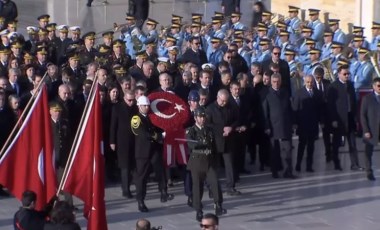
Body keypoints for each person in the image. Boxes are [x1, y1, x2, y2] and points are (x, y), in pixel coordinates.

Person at [131, 96, 174, 212]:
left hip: (154, 150)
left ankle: (164, 192)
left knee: (160, 171)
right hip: (143, 152)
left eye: (147, 105)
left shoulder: (152, 117)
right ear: (139, 106)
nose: (146, 107)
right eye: (144, 105)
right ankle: (141, 200)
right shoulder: (136, 119)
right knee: (142, 178)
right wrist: (159, 136)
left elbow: (158, 127)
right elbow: (142, 134)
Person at [186, 107, 226, 222]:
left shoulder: (209, 130)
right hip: (197, 163)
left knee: (215, 183)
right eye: (200, 117)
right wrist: (200, 144)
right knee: (197, 187)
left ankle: (218, 205)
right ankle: (198, 210)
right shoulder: (191, 130)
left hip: (209, 161)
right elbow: (191, 145)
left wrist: (216, 160)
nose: (202, 119)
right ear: (195, 118)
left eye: (204, 117)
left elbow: (213, 146)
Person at [327, 64, 363, 171]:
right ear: (339, 74)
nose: (347, 76)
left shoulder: (351, 85)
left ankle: (355, 164)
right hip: (339, 119)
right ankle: (337, 164)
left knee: (353, 143)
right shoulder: (333, 87)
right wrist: (333, 119)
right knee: (337, 144)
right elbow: (330, 105)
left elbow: (354, 103)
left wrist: (356, 118)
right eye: (344, 74)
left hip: (350, 117)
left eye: (348, 74)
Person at [206, 89, 241, 195]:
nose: (224, 103)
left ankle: (230, 187)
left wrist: (231, 128)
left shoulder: (231, 107)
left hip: (228, 140)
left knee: (229, 165)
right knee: (214, 166)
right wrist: (222, 129)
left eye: (226, 101)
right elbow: (207, 125)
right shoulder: (210, 109)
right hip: (215, 141)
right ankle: (213, 188)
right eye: (222, 101)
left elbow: (237, 119)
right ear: (217, 98)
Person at [262, 73, 296, 179]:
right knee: (274, 151)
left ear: (281, 82)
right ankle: (275, 171)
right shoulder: (267, 94)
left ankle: (288, 171)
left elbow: (290, 109)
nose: (276, 84)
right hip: (273, 126)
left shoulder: (285, 92)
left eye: (278, 82)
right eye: (274, 82)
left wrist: (293, 123)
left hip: (286, 125)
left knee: (288, 150)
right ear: (271, 82)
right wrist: (267, 126)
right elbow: (265, 112)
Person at [109, 90, 138, 198]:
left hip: (134, 140)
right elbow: (113, 125)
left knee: (132, 165)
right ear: (125, 98)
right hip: (122, 141)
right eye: (129, 100)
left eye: (132, 100)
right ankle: (126, 190)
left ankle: (132, 185)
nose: (131, 102)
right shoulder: (117, 108)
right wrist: (112, 141)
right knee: (124, 166)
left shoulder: (136, 108)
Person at [292, 75, 323, 172]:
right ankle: (298, 164)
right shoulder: (299, 93)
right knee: (301, 145)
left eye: (311, 82)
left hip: (313, 124)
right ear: (304, 82)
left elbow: (321, 109)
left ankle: (309, 166)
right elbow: (295, 108)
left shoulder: (318, 93)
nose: (310, 84)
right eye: (308, 82)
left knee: (311, 146)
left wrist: (321, 121)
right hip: (303, 124)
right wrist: (295, 122)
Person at [360, 78, 380, 181]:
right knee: (368, 152)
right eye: (378, 86)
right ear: (373, 86)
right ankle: (369, 171)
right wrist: (366, 130)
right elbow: (363, 115)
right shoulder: (367, 99)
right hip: (371, 129)